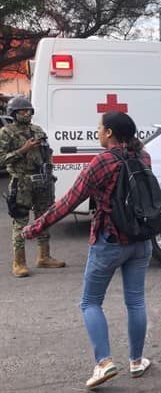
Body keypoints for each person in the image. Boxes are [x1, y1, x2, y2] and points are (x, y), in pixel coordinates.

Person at [21, 112, 152, 389]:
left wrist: (35, 228)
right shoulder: (143, 157)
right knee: (136, 302)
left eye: (100, 127)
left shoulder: (102, 162)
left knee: (90, 302)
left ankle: (104, 362)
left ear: (109, 133)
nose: (97, 131)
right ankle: (137, 362)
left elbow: (68, 202)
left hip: (109, 242)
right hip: (141, 240)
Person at [0, 96, 65, 277]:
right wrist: (23, 150)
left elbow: (47, 153)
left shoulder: (37, 130)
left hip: (41, 181)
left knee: (43, 219)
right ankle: (19, 262)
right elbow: (1, 158)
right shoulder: (6, 132)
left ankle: (44, 256)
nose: (26, 113)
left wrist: (49, 175)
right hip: (21, 182)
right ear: (13, 113)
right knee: (20, 223)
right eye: (22, 111)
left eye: (29, 110)